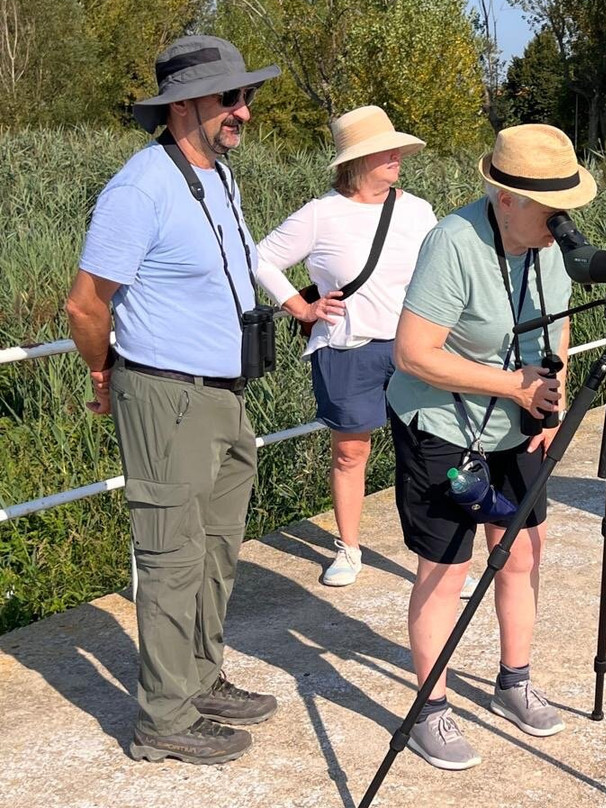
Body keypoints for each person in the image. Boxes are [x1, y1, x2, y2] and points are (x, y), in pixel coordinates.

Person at [65, 36, 281, 764]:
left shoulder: (218, 177)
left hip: (223, 395)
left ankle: (197, 677)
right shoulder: (140, 188)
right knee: (170, 558)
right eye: (230, 98)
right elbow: (85, 304)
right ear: (183, 105)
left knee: (218, 550)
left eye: (246, 97)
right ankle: (163, 717)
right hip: (165, 395)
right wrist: (105, 375)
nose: (244, 112)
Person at [385, 123, 595, 769]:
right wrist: (513, 385)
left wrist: (551, 396)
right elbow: (412, 353)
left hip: (518, 424)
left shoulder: (553, 244)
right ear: (506, 198)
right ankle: (432, 709)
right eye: (549, 205)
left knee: (522, 553)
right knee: (446, 572)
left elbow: (556, 332)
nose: (563, 219)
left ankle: (515, 682)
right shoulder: (454, 242)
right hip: (443, 426)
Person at [255, 106, 437, 587]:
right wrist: (299, 306)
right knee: (350, 453)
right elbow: (259, 258)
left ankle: (436, 561)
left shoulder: (418, 211)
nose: (397, 156)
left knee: (425, 452)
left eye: (397, 149)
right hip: (346, 349)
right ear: (357, 161)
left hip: (413, 349)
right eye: (386, 151)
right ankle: (349, 549)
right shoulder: (320, 215)